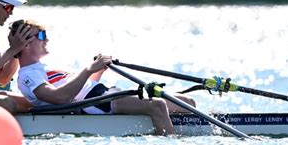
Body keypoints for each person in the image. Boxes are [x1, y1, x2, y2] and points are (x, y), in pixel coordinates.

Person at [10, 19, 196, 135]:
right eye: (42, 35)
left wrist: (99, 70)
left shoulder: (42, 68)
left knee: (188, 102)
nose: (47, 39)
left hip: (101, 95)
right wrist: (88, 70)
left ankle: (173, 128)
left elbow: (81, 87)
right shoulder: (28, 76)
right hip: (95, 103)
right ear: (26, 44)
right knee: (158, 105)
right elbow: (59, 97)